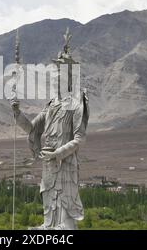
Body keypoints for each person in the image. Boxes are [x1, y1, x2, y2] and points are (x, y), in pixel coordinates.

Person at [10, 28, 89, 230]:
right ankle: (49, 225)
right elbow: (32, 129)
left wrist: (58, 153)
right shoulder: (52, 105)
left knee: (65, 202)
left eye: (59, 75)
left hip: (65, 162)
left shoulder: (77, 104)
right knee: (49, 197)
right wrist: (17, 113)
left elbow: (79, 139)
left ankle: (63, 228)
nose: (55, 79)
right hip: (48, 163)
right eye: (54, 75)